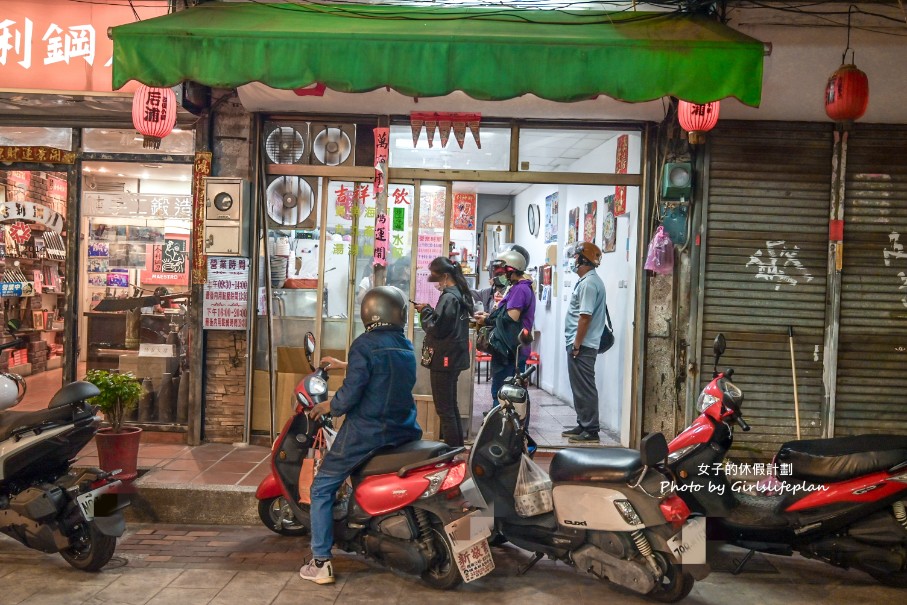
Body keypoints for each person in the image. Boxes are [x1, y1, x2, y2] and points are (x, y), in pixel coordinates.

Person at [299, 286, 422, 585]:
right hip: (404, 429)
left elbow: (351, 395)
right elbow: (383, 373)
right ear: (396, 313)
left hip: (368, 432)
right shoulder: (405, 344)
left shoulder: (364, 345)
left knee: (322, 487)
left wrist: (330, 405)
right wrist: (346, 365)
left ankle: (321, 561)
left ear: (368, 313)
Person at [414, 257, 474, 447]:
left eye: (436, 277)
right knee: (451, 406)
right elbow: (445, 323)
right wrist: (430, 310)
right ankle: (456, 448)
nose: (436, 282)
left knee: (444, 408)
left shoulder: (449, 297)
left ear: (445, 276)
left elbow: (437, 328)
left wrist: (424, 312)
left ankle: (452, 452)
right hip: (454, 357)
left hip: (444, 358)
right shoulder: (460, 294)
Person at [476, 249, 536, 410]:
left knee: (505, 392)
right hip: (512, 349)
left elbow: (511, 318)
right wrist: (490, 315)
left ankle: (504, 429)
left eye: (503, 272)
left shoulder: (520, 289)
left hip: (510, 351)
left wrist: (488, 319)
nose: (500, 276)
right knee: (507, 390)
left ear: (512, 270)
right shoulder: (520, 287)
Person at [562, 242, 607, 443]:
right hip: (582, 343)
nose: (574, 261)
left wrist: (577, 344)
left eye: (576, 258)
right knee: (579, 386)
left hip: (583, 345)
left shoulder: (589, 283)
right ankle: (583, 424)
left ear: (583, 259)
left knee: (585, 387)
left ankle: (591, 429)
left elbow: (585, 317)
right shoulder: (589, 281)